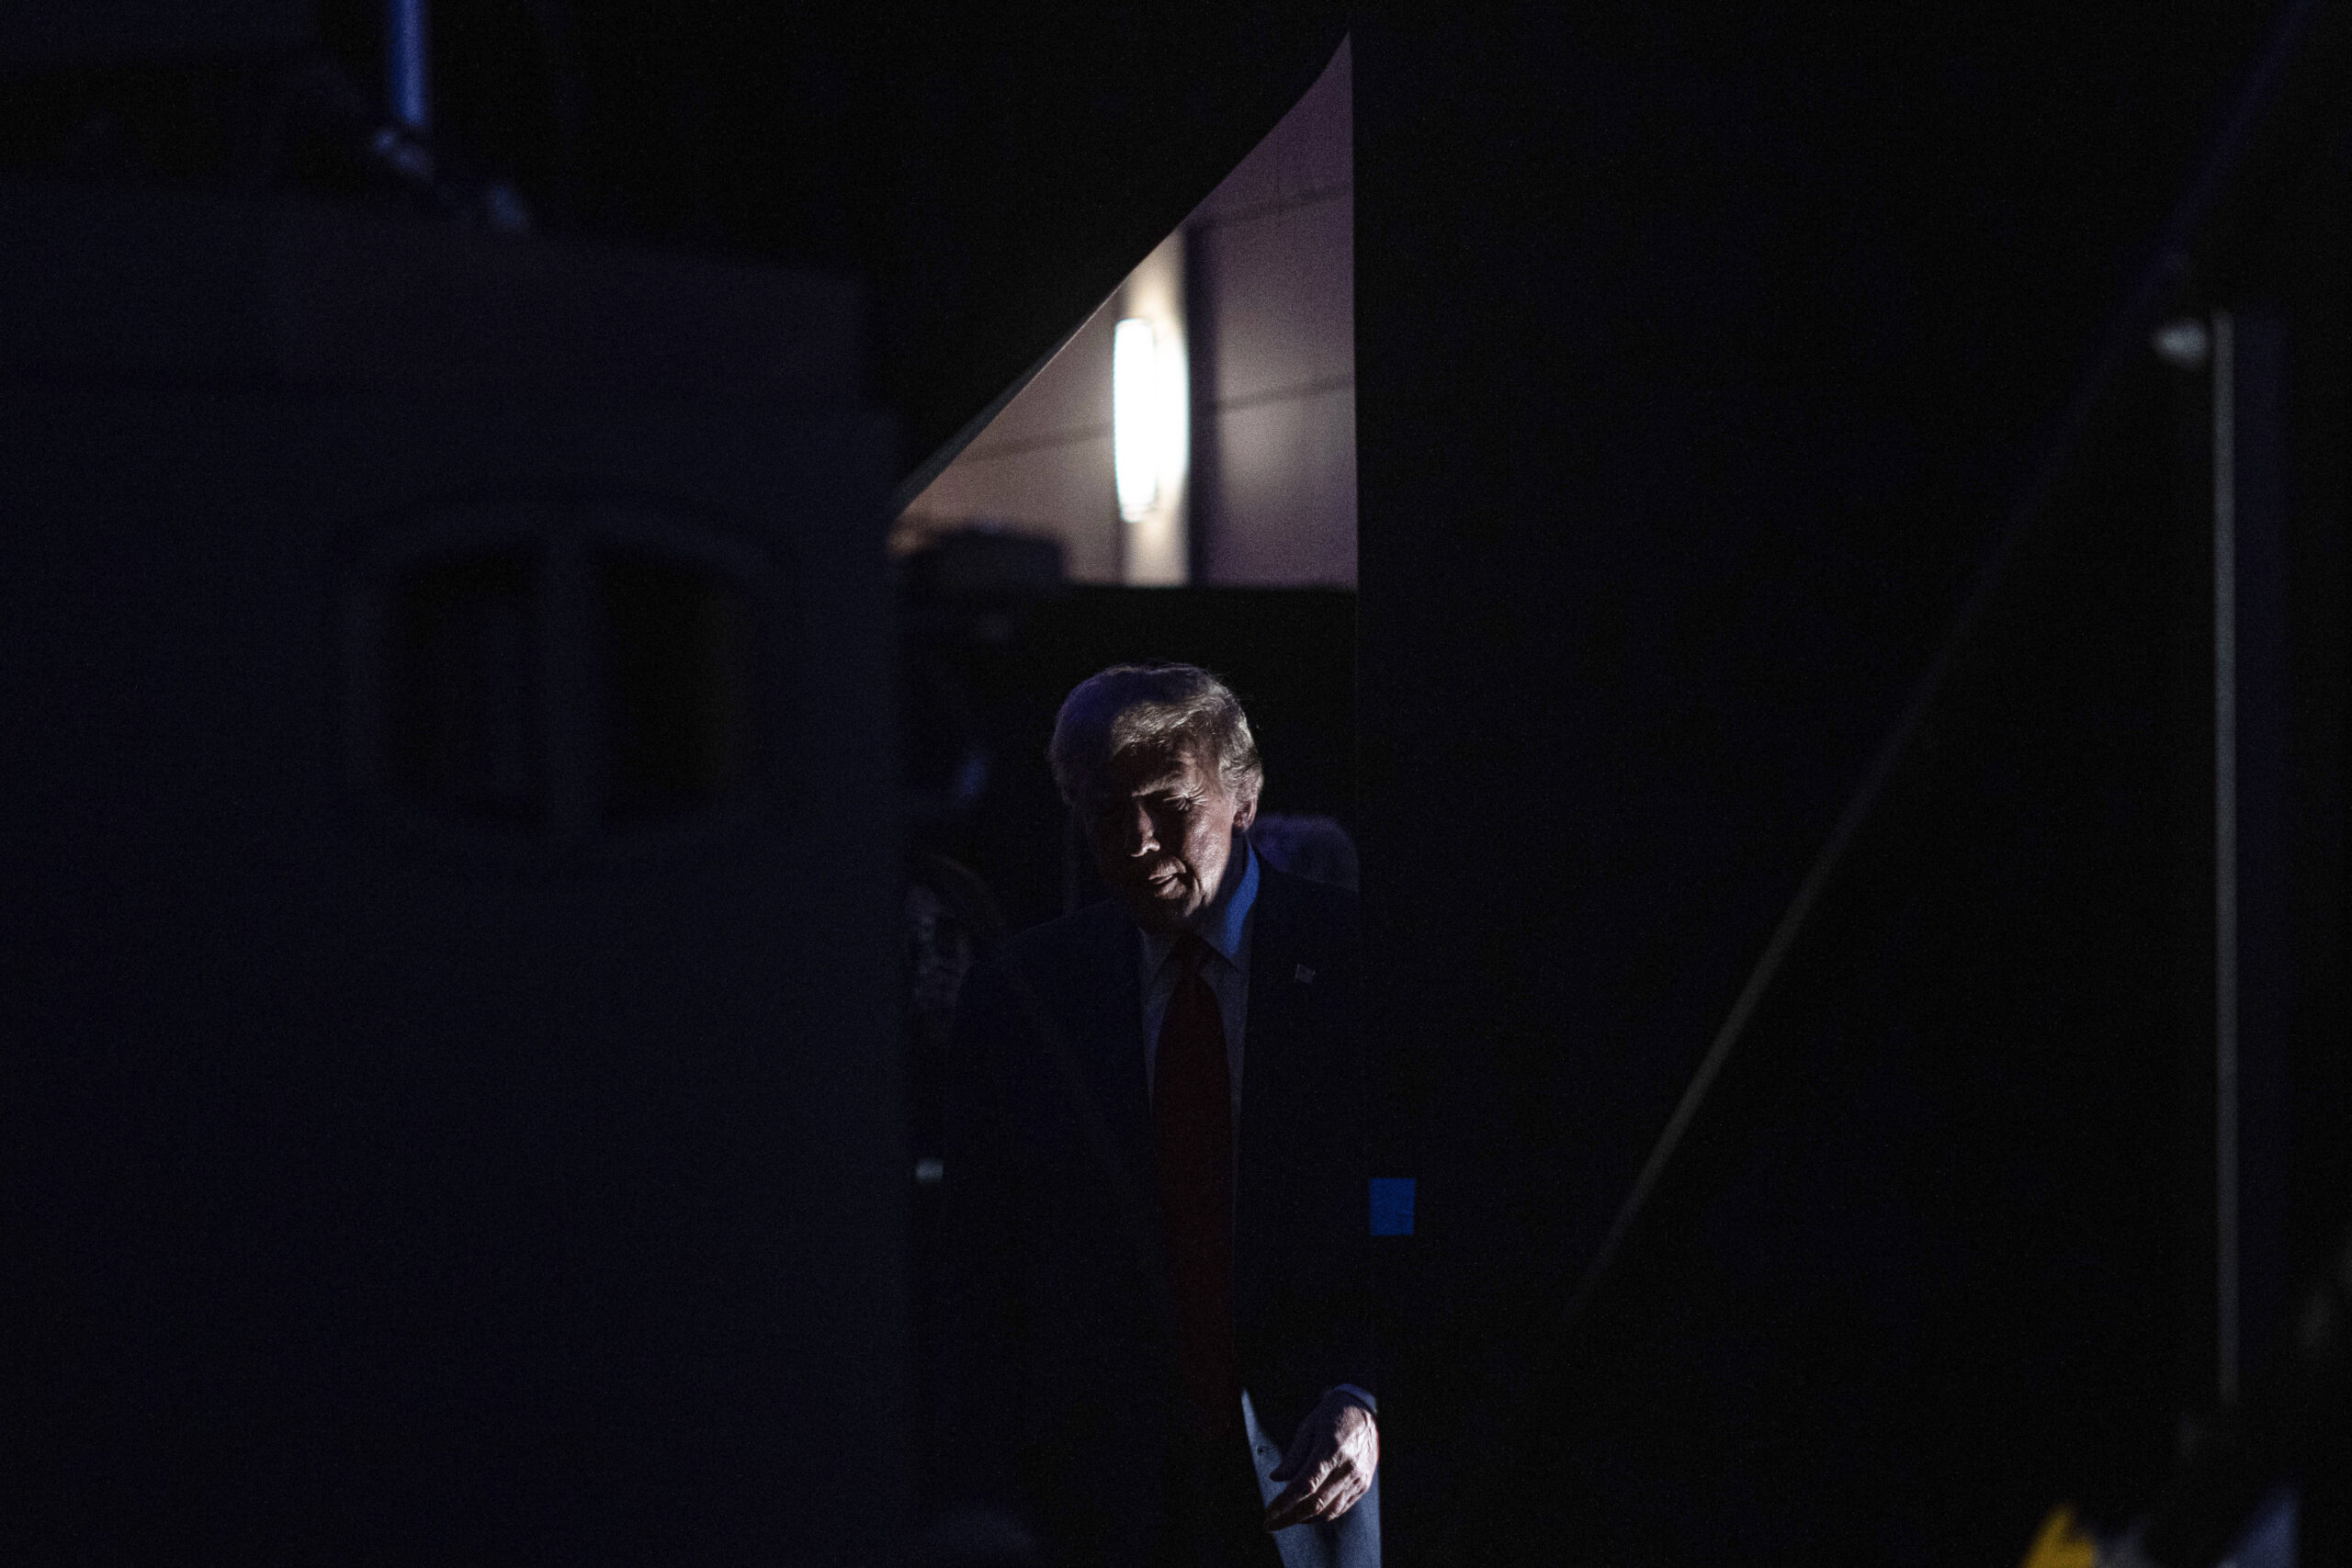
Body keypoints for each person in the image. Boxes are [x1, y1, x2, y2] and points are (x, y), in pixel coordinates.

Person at [933, 664, 1379, 1568]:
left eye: (1167, 803)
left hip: (1310, 1460)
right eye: (1102, 809)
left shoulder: (1362, 966)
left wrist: (1367, 1387)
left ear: (1243, 797)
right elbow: (980, 1258)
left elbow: (1409, 1197)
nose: (1133, 841)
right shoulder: (1025, 996)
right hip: (1092, 1490)